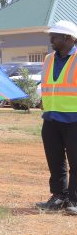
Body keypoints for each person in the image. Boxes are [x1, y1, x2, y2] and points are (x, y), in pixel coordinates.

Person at [37, 20, 77, 215]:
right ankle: (58, 196)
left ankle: (74, 200)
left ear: (68, 38)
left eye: (55, 36)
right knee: (55, 161)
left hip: (74, 119)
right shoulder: (48, 59)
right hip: (51, 118)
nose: (51, 39)